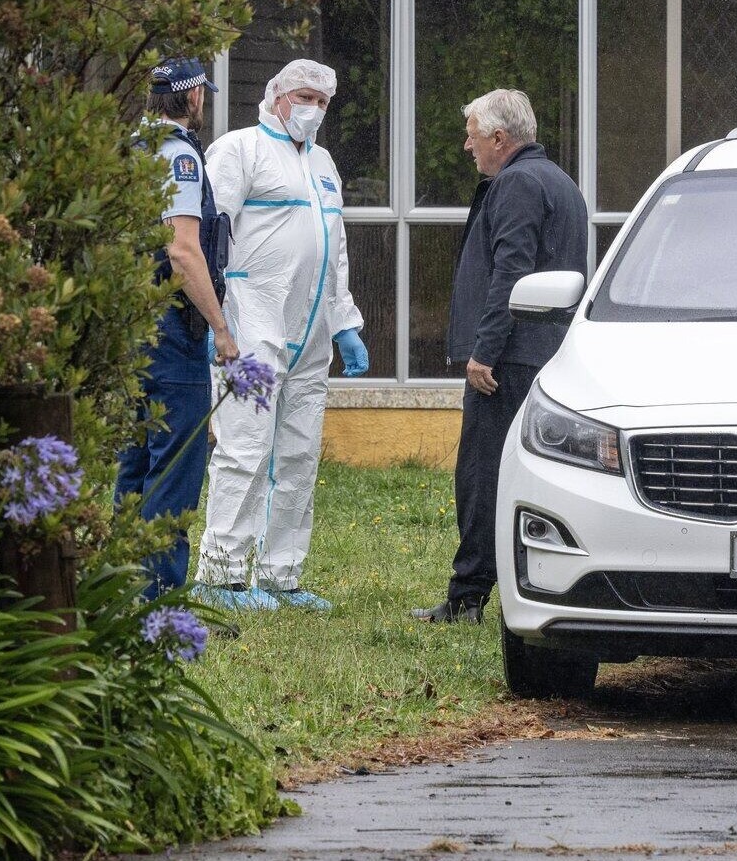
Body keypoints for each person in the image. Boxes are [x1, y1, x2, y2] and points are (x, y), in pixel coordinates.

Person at [194, 58, 369, 612]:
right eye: (304, 97)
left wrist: (345, 323)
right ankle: (220, 575)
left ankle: (280, 575)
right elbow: (208, 236)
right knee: (245, 446)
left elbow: (335, 250)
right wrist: (215, 319)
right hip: (252, 323)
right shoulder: (238, 150)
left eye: (322, 101)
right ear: (276, 96)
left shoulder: (322, 163)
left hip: (311, 331)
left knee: (299, 452)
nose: (313, 109)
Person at [412, 89, 587, 624]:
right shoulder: (561, 182)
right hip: (545, 356)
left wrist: (483, 351)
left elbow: (512, 271)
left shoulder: (516, 183)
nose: (467, 146)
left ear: (498, 137)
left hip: (508, 361)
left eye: (472, 136)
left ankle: (468, 597)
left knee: (481, 475)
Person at [116, 55, 240, 597]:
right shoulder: (179, 156)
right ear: (193, 96)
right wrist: (221, 329)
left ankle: (120, 591)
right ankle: (160, 602)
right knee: (174, 466)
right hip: (171, 330)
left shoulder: (132, 148)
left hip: (130, 327)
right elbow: (184, 251)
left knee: (135, 463)